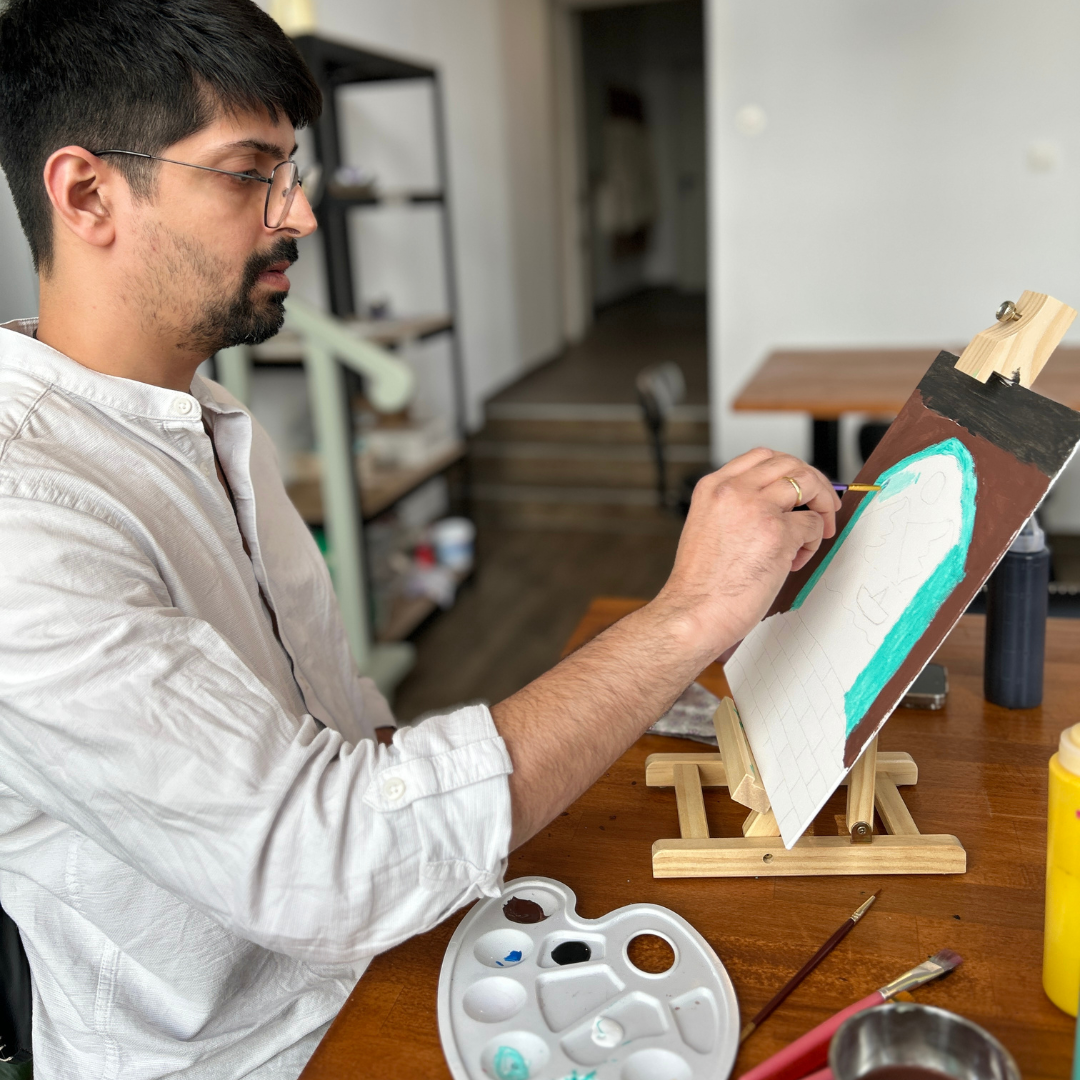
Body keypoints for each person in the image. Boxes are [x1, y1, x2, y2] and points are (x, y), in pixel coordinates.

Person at [0, 1, 839, 1076]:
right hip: (254, 1049)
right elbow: (325, 858)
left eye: (291, 171)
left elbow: (343, 733)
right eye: (251, 173)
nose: (300, 215)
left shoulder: (208, 420)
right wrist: (685, 617)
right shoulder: (29, 518)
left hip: (379, 952)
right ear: (86, 194)